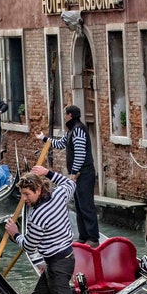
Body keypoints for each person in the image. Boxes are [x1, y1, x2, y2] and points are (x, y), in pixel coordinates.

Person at [5, 165, 85, 294]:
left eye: (26, 194)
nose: (24, 199)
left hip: (58, 265)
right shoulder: (58, 195)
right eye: (21, 194)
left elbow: (29, 246)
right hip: (64, 259)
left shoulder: (36, 217)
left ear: (39, 190)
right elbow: (70, 183)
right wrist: (48, 172)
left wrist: (14, 234)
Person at [36, 104, 99, 247]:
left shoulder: (79, 130)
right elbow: (59, 144)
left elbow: (80, 153)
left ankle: (93, 239)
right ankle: (83, 237)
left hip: (84, 173)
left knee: (86, 206)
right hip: (78, 174)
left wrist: (74, 173)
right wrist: (44, 138)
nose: (64, 117)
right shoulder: (71, 130)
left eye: (65, 114)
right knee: (78, 205)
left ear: (70, 115)